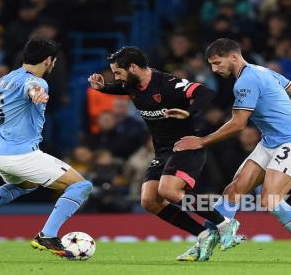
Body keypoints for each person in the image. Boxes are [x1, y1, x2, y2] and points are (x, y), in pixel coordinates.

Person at [174, 38, 291, 263]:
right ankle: (201, 245)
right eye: (211, 64)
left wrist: (201, 141)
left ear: (234, 57)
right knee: (233, 190)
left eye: (217, 63)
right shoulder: (262, 71)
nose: (214, 69)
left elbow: (238, 124)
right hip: (270, 142)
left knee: (271, 200)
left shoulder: (246, 82)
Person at [0, 37, 92, 260]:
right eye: (54, 61)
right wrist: (35, 93)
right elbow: (32, 88)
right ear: (48, 61)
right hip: (19, 154)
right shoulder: (38, 82)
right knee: (81, 186)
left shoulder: (7, 77)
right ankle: (47, 235)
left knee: (25, 185)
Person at [88, 46, 230, 261]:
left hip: (186, 146)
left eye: (118, 72)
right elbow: (122, 88)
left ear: (133, 67)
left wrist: (188, 112)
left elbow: (205, 92)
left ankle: (224, 224)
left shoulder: (167, 84)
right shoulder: (132, 84)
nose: (117, 78)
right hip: (162, 150)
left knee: (169, 192)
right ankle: (203, 234)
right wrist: (103, 87)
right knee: (149, 201)